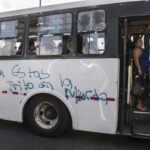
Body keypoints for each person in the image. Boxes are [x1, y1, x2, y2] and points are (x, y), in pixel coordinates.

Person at [132, 36, 149, 111]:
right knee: (140, 88)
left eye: (141, 41)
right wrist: (139, 69)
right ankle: (139, 105)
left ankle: (140, 104)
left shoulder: (141, 49)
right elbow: (136, 60)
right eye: (139, 41)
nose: (141, 42)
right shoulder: (136, 49)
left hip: (143, 71)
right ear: (135, 43)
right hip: (140, 71)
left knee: (142, 87)